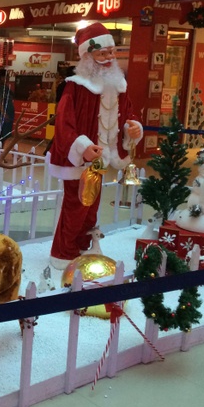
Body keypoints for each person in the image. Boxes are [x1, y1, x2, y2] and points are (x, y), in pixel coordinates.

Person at [48, 22, 143, 270]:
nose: (109, 58)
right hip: (79, 160)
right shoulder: (75, 86)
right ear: (88, 56)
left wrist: (133, 128)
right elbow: (64, 124)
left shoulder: (118, 85)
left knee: (90, 207)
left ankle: (82, 245)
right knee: (76, 206)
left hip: (102, 159)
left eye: (112, 52)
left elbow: (128, 114)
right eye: (103, 53)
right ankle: (63, 253)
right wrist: (83, 147)